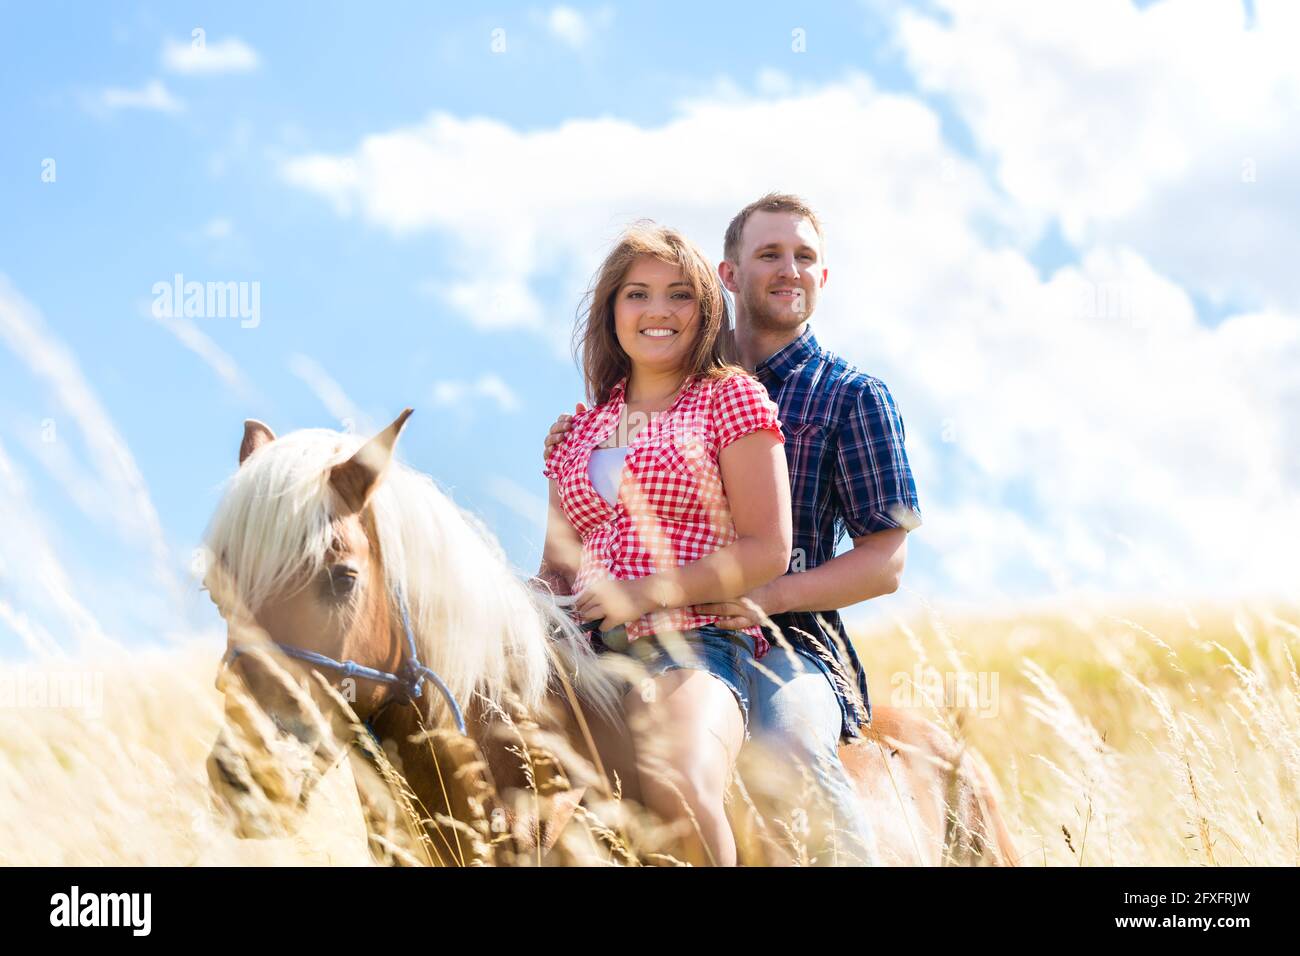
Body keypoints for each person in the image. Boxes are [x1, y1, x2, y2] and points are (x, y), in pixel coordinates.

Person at [545, 194, 923, 865]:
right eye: (770, 255)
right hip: (634, 632)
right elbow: (574, 550)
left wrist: (767, 599)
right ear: (730, 275)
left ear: (823, 276)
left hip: (786, 637)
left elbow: (884, 562)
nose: (790, 270)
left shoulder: (846, 395)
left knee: (789, 750)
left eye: (805, 256)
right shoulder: (655, 393)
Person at [537, 221, 792, 867]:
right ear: (612, 310)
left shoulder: (729, 399)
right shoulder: (577, 431)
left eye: (679, 294)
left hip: (695, 643)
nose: (657, 311)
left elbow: (767, 548)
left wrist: (643, 593)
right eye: (637, 294)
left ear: (706, 311)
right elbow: (557, 570)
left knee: (679, 778)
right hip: (580, 660)